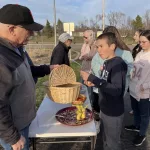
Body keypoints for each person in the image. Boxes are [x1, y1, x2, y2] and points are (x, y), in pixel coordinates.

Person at [0, 4, 48, 150]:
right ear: (12, 29)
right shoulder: (2, 58)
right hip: (14, 129)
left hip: (23, 121)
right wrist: (13, 137)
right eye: (28, 30)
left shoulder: (16, 48)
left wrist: (47, 68)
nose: (32, 34)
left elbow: (26, 71)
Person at [81, 32, 127, 150]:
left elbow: (116, 90)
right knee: (105, 140)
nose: (98, 50)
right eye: (97, 47)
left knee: (112, 144)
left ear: (112, 46)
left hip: (113, 112)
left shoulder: (118, 64)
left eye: (101, 46)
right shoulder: (106, 62)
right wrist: (94, 82)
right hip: (105, 109)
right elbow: (106, 82)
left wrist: (92, 78)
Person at [91, 26, 133, 132]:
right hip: (100, 88)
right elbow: (94, 65)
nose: (100, 48)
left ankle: (110, 128)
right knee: (100, 107)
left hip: (112, 90)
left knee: (110, 112)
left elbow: (131, 70)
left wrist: (111, 72)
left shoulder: (125, 53)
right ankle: (101, 124)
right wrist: (100, 72)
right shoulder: (99, 53)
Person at [125, 30, 150, 146]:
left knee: (144, 114)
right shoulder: (140, 53)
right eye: (140, 42)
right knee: (135, 110)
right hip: (134, 88)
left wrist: (144, 86)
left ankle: (142, 134)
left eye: (144, 42)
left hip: (145, 92)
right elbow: (134, 69)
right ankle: (136, 125)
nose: (141, 44)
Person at [129, 29, 144, 115]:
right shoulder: (136, 47)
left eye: (135, 35)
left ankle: (139, 112)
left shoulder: (144, 50)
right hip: (134, 74)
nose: (134, 36)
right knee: (133, 94)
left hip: (140, 76)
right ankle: (135, 109)